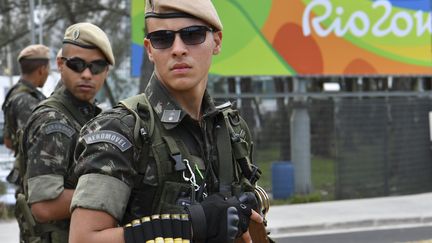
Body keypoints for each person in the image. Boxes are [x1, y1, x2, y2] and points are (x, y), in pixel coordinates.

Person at [70, 1, 267, 243]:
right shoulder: (122, 130)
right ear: (150, 49)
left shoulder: (230, 129)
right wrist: (192, 226)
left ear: (216, 41)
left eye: (192, 35)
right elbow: (84, 239)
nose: (178, 49)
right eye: (163, 38)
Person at [22, 22, 114, 242]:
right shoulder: (53, 121)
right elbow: (44, 206)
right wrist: (115, 194)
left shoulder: (89, 115)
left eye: (96, 66)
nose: (86, 74)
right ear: (60, 64)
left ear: (106, 71)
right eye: (77, 64)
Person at [1, 43, 50, 243]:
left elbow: (8, 140)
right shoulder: (26, 101)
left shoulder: (15, 94)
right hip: (33, 180)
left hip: (27, 179)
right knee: (35, 235)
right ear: (41, 70)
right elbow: (37, 144)